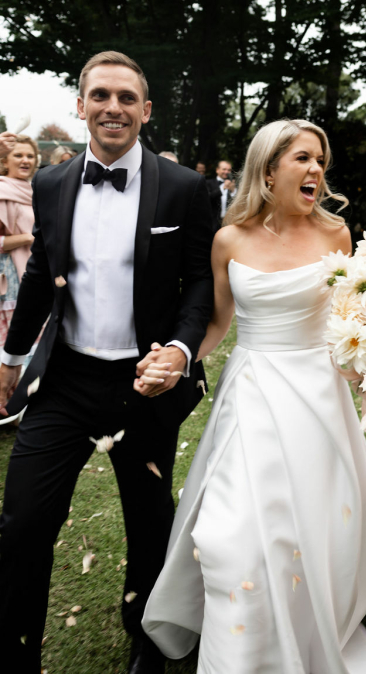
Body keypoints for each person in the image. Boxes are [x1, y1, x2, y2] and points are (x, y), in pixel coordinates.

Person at [143, 119, 366, 673]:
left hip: (317, 394)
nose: (316, 171)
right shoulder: (229, 239)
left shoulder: (337, 236)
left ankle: (306, 617)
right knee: (228, 531)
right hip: (252, 393)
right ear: (269, 167)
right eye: (304, 158)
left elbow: (345, 321)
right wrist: (177, 359)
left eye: (321, 161)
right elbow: (216, 323)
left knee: (306, 522)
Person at [0, 50, 214, 674]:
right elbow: (42, 272)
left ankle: (147, 641)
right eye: (100, 96)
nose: (112, 107)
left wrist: (178, 351)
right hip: (65, 378)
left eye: (126, 97)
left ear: (146, 111)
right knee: (23, 522)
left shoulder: (184, 187)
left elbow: (200, 282)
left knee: (149, 523)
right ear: (81, 105)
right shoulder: (51, 182)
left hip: (144, 382)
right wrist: (12, 357)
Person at [0, 136, 38, 349]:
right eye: (18, 155)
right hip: (9, 281)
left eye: (30, 156)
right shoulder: (2, 190)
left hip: (36, 274)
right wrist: (27, 238)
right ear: (5, 161)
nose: (26, 160)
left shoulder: (35, 190)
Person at [206, 160, 237, 231]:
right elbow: (208, 199)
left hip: (229, 223)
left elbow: (238, 203)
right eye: (224, 169)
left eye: (229, 170)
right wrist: (223, 188)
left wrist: (233, 191)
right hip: (212, 223)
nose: (226, 172)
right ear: (217, 170)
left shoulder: (234, 184)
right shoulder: (208, 183)